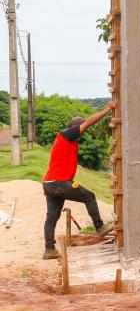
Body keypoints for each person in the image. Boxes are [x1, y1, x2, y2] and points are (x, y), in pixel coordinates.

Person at [42, 102, 114, 260]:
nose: (82, 133)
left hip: (50, 184)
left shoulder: (64, 139)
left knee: (52, 216)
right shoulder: (68, 134)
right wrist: (108, 109)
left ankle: (49, 250)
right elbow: (89, 121)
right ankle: (100, 227)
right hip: (59, 183)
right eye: (81, 129)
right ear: (76, 127)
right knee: (89, 196)